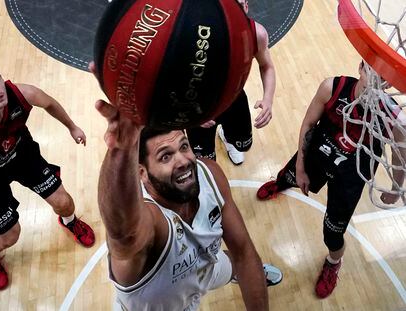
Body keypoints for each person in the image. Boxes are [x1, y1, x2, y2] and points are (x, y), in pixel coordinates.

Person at [94, 64, 282, 309]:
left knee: (234, 263)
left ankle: (232, 274)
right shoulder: (148, 222)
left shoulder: (209, 174)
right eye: (165, 156)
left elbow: (244, 252)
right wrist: (120, 150)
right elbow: (122, 232)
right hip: (169, 304)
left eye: (184, 146)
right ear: (142, 173)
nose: (183, 160)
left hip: (206, 268)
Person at [256, 61, 406, 298]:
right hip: (320, 150)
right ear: (361, 68)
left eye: (382, 81)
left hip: (351, 175)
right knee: (292, 175)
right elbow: (308, 124)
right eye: (371, 75)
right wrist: (300, 166)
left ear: (389, 84)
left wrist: (397, 188)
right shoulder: (332, 88)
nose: (374, 85)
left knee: (332, 232)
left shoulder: (393, 118)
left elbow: (401, 156)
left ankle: (334, 262)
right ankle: (283, 182)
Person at [0, 62, 95, 290]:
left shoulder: (21, 94)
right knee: (9, 236)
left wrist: (72, 126)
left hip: (23, 157)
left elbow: (48, 103)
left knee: (64, 203)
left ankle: (69, 223)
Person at [186, 0, 276, 165]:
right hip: (200, 106)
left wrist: (268, 99)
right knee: (205, 161)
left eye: (240, 5)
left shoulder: (257, 34)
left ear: (246, 6)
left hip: (234, 100)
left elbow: (267, 66)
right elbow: (176, 78)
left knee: (242, 144)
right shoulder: (194, 33)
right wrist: (191, 112)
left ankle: (227, 138)